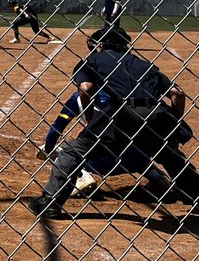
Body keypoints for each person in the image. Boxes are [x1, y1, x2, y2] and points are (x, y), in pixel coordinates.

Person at [26, 27, 199, 225]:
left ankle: (50, 203)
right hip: (155, 117)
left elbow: (86, 88)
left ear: (99, 45)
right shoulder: (145, 66)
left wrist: (89, 120)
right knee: (172, 158)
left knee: (71, 151)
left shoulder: (92, 61)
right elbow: (177, 94)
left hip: (118, 118)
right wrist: (172, 125)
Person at [42, 84, 173, 199]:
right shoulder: (130, 96)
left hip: (102, 163)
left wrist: (49, 148)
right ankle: (157, 177)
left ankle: (82, 175)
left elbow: (57, 127)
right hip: (137, 159)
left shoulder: (77, 99)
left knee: (75, 146)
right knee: (132, 141)